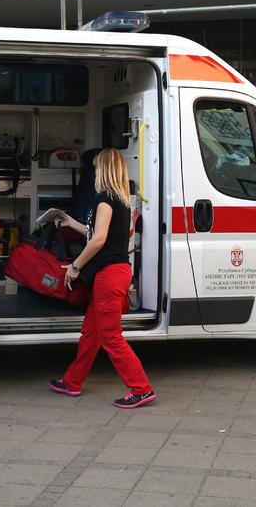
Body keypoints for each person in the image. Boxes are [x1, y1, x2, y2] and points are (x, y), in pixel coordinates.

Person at [48, 148, 155, 408]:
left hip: (109, 275)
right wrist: (70, 222)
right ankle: (72, 382)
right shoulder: (119, 199)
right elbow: (95, 232)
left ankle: (141, 388)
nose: (94, 172)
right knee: (91, 333)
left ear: (103, 169)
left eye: (96, 168)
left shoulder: (105, 199)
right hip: (112, 273)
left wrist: (75, 266)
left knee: (110, 336)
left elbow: (98, 240)